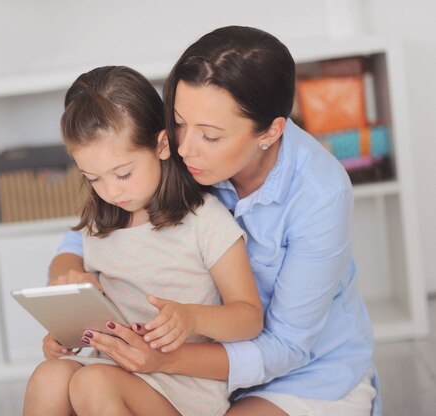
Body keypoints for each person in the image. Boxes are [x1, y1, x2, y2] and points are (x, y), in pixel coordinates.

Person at [48, 26, 381, 416]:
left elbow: (286, 347)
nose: (184, 147)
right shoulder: (174, 151)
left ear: (270, 132)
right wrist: (71, 289)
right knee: (65, 383)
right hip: (184, 369)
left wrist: (163, 358)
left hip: (302, 374)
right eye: (178, 122)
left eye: (210, 135)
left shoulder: (321, 195)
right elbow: (88, 237)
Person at [23, 65, 263, 416]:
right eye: (94, 179)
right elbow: (74, 274)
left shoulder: (204, 220)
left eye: (123, 174)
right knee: (49, 376)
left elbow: (249, 317)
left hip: (180, 386)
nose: (110, 191)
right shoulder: (100, 226)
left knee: (93, 383)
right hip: (113, 366)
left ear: (162, 145)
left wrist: (192, 318)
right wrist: (66, 336)